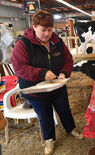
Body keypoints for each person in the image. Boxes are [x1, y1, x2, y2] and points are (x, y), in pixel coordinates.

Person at [11, 10, 83, 155]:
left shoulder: (57, 41)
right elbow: (19, 67)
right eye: (43, 30)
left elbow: (68, 60)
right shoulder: (23, 44)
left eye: (50, 30)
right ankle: (49, 140)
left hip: (57, 85)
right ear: (34, 27)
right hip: (35, 90)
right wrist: (41, 73)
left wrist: (64, 72)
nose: (47, 33)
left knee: (64, 109)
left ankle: (71, 129)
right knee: (45, 115)